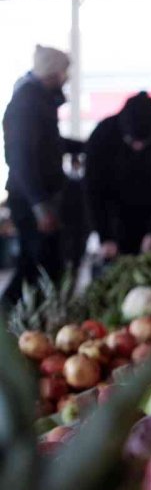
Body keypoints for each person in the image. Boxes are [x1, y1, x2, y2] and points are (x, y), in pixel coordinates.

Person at [2, 45, 72, 306]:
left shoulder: (38, 98)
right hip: (31, 200)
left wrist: (80, 146)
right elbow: (22, 160)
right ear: (54, 72)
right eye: (65, 71)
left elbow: (48, 144)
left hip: (35, 197)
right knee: (36, 269)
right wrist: (41, 207)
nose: (67, 77)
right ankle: (11, 323)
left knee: (37, 266)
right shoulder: (27, 102)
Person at [84, 91, 151, 258]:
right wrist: (104, 235)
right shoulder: (102, 134)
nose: (138, 147)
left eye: (144, 143)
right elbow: (92, 190)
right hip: (116, 221)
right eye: (132, 141)